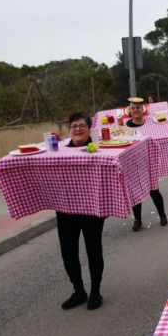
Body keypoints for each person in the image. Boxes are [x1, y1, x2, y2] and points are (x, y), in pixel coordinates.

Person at [58, 112, 106, 310]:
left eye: (82, 126)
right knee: (68, 253)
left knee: (93, 250)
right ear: (69, 130)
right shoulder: (59, 151)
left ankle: (95, 292)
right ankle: (79, 291)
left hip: (92, 209)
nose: (77, 129)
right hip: (65, 209)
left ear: (89, 129)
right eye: (74, 126)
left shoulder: (99, 149)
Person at [125, 97, 168, 231]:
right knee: (135, 192)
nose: (135, 110)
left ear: (142, 109)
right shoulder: (126, 124)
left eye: (138, 107)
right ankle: (138, 220)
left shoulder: (151, 123)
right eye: (133, 108)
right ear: (130, 111)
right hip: (132, 162)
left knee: (154, 190)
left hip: (147, 161)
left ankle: (162, 215)